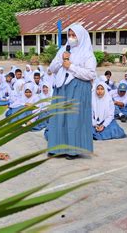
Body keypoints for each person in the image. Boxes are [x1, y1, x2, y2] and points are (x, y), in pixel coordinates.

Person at [46, 24, 96, 160]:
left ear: (81, 37)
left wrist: (71, 66)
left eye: (74, 35)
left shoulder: (87, 53)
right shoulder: (63, 49)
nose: (71, 38)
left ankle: (72, 150)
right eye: (69, 35)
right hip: (61, 88)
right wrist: (62, 60)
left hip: (78, 89)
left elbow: (90, 74)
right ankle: (56, 148)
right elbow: (52, 67)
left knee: (73, 119)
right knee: (58, 117)